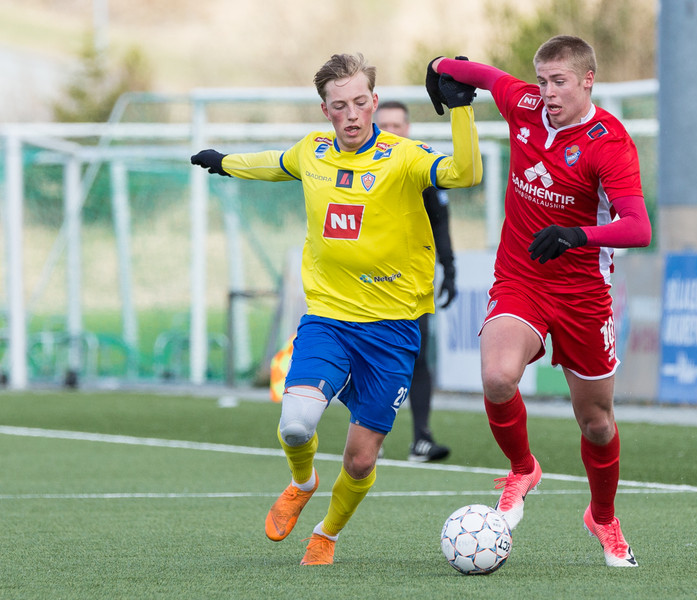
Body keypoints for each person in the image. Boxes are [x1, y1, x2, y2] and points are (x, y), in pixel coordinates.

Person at [191, 52, 481, 566]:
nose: (352, 114)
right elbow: (275, 163)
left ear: (374, 101)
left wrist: (461, 109)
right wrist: (226, 163)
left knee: (361, 459)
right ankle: (303, 482)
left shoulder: (404, 157)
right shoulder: (314, 151)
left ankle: (326, 533)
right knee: (296, 424)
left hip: (393, 329)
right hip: (329, 318)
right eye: (339, 105)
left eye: (360, 102)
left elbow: (465, 173)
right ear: (325, 110)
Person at [428, 36, 651, 567]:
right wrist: (438, 67)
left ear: (588, 80)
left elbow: (639, 228)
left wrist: (577, 236)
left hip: (583, 294)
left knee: (597, 423)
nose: (548, 92)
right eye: (543, 80)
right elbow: (486, 76)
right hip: (522, 278)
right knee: (497, 377)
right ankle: (523, 468)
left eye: (560, 82)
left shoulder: (609, 143)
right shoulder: (525, 104)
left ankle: (603, 517)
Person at [374, 100, 456, 463]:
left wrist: (450, 269)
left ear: (407, 128)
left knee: (417, 355)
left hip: (411, 282)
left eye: (397, 125)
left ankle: (421, 438)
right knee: (368, 357)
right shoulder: (358, 166)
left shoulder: (423, 166)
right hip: (363, 281)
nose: (391, 131)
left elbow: (441, 222)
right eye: (384, 125)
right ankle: (367, 435)